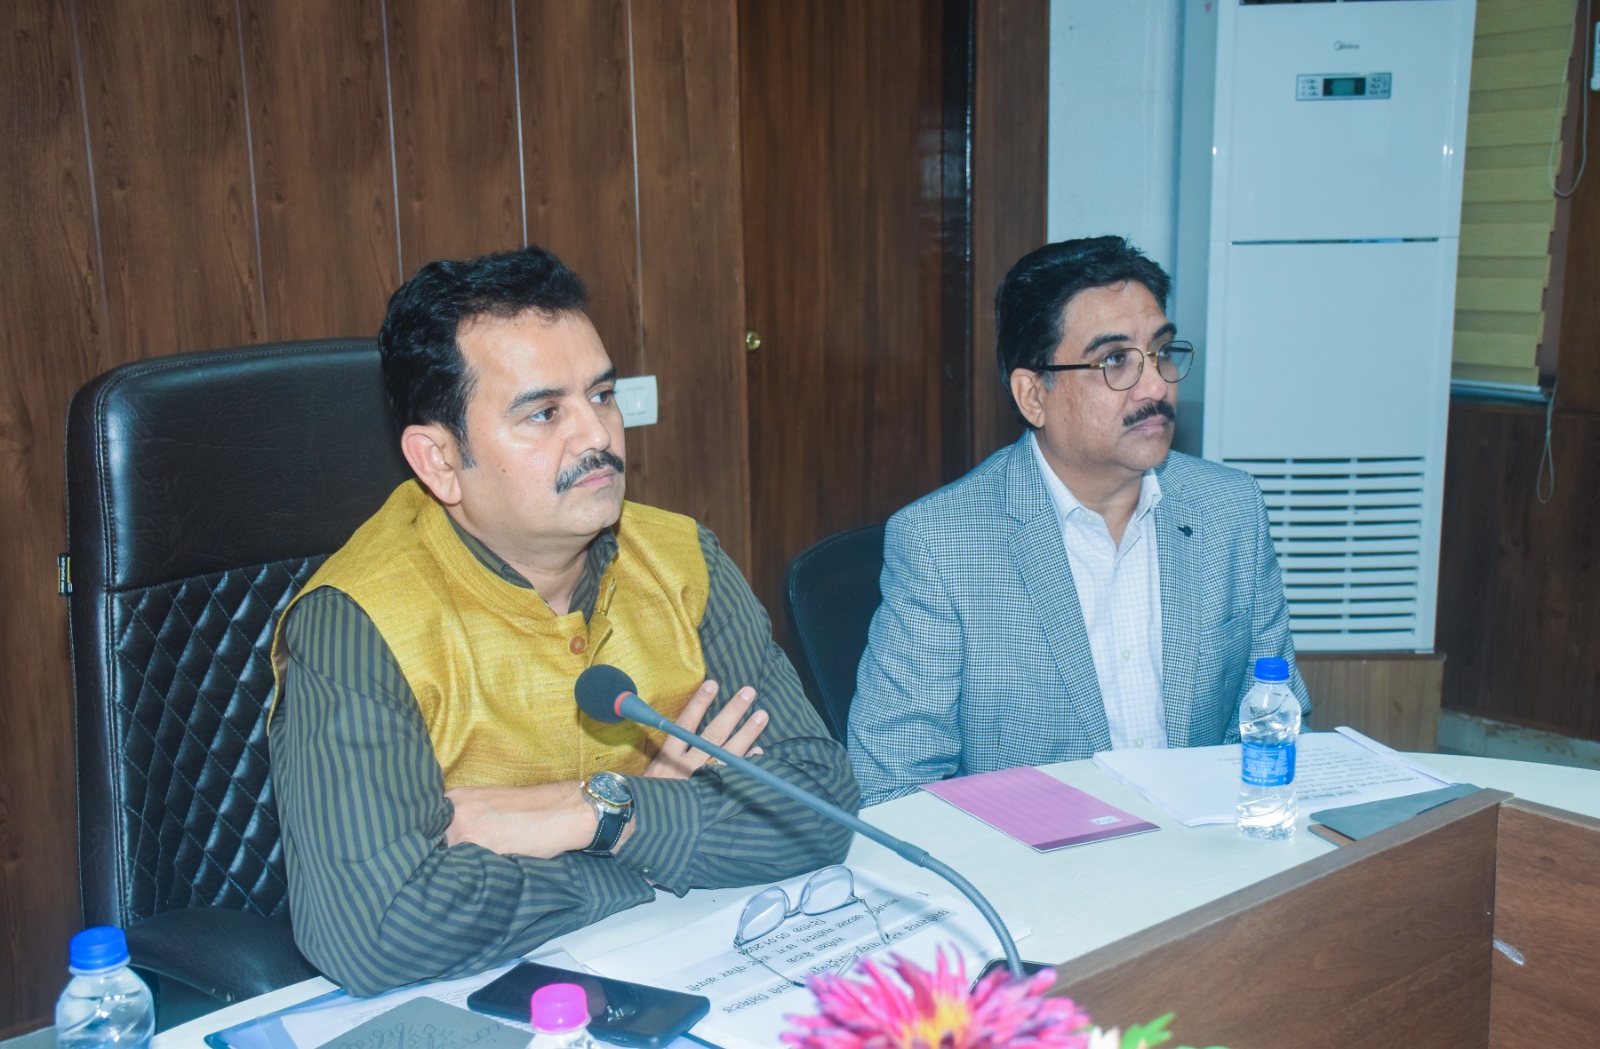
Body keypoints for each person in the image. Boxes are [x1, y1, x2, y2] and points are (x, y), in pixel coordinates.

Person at [269, 245, 855, 995]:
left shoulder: (682, 558)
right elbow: (375, 931)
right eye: (544, 413)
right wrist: (646, 842)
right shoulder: (356, 624)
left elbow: (817, 806)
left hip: (690, 971)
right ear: (440, 461)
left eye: (602, 395)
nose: (598, 436)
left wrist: (594, 815)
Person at [847, 236, 1311, 807]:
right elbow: (893, 785)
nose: (1157, 386)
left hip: (1206, 842)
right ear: (1033, 396)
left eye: (1161, 353)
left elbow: (1274, 721)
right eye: (1115, 360)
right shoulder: (940, 544)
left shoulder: (1229, 509)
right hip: (1029, 854)